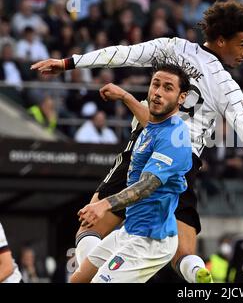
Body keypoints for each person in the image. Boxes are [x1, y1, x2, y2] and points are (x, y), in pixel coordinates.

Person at [31, 0, 243, 283]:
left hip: (144, 147)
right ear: (221, 41)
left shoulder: (173, 47)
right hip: (182, 162)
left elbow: (124, 54)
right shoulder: (226, 87)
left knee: (89, 228)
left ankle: (110, 271)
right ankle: (192, 274)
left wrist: (69, 63)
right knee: (181, 251)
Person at [70, 62, 192, 283]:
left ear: (181, 97)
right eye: (155, 85)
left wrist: (104, 205)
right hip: (130, 230)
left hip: (151, 240)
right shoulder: (153, 126)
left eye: (168, 88)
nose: (158, 93)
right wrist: (125, 95)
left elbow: (148, 185)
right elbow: (147, 117)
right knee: (79, 279)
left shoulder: (175, 137)